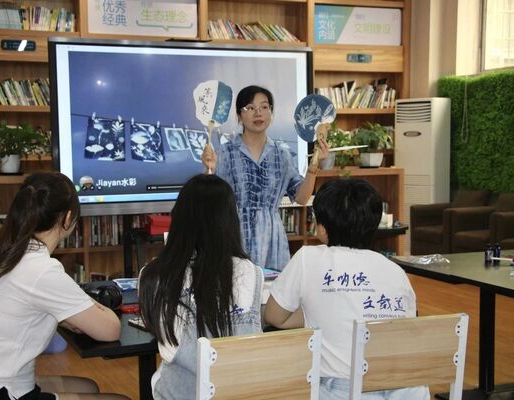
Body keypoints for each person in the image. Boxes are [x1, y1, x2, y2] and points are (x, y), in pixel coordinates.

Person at [0, 172, 121, 400]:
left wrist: (67, 313)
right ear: (68, 219)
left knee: (88, 387)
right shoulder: (42, 270)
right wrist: (85, 305)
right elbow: (110, 330)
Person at [264, 179, 430, 400]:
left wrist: (316, 312)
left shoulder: (308, 257)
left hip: (341, 391)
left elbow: (274, 316)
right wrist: (321, 311)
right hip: (404, 389)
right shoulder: (396, 271)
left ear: (322, 229)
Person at [139, 174, 263, 400]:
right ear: (230, 220)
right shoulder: (251, 271)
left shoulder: (153, 276)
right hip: (241, 393)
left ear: (179, 218)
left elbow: (168, 344)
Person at [202, 85, 328, 271]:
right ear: (239, 115)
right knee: (237, 285)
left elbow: (301, 197)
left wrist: (313, 168)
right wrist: (209, 170)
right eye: (250, 108)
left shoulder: (282, 154)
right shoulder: (225, 152)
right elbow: (211, 199)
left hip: (272, 240)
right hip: (234, 235)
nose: (258, 113)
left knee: (272, 287)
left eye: (264, 107)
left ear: (271, 112)